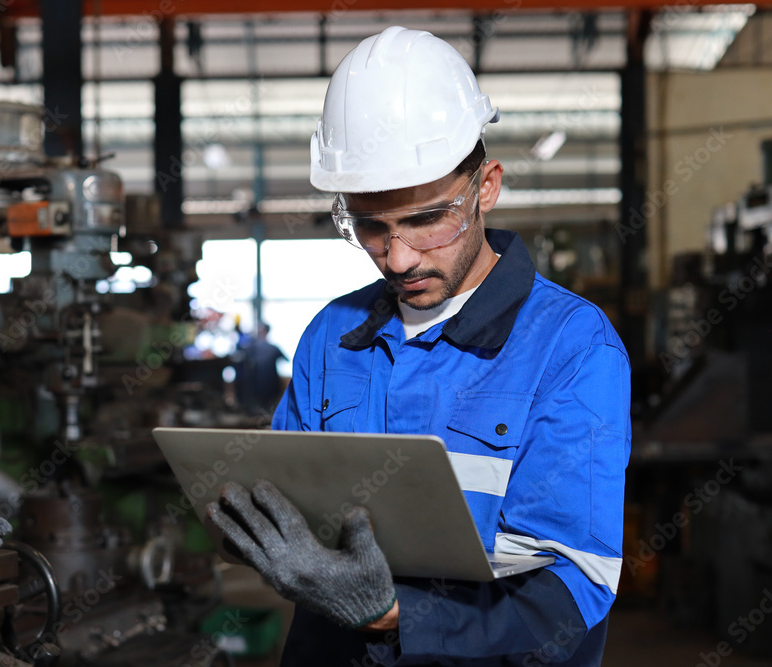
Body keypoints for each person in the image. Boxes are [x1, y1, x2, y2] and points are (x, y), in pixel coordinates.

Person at [207, 26, 630, 666]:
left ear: (486, 188)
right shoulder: (331, 336)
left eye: (427, 219)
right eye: (370, 226)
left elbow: (574, 589)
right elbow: (291, 509)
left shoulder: (571, 347)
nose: (399, 257)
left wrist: (392, 616)